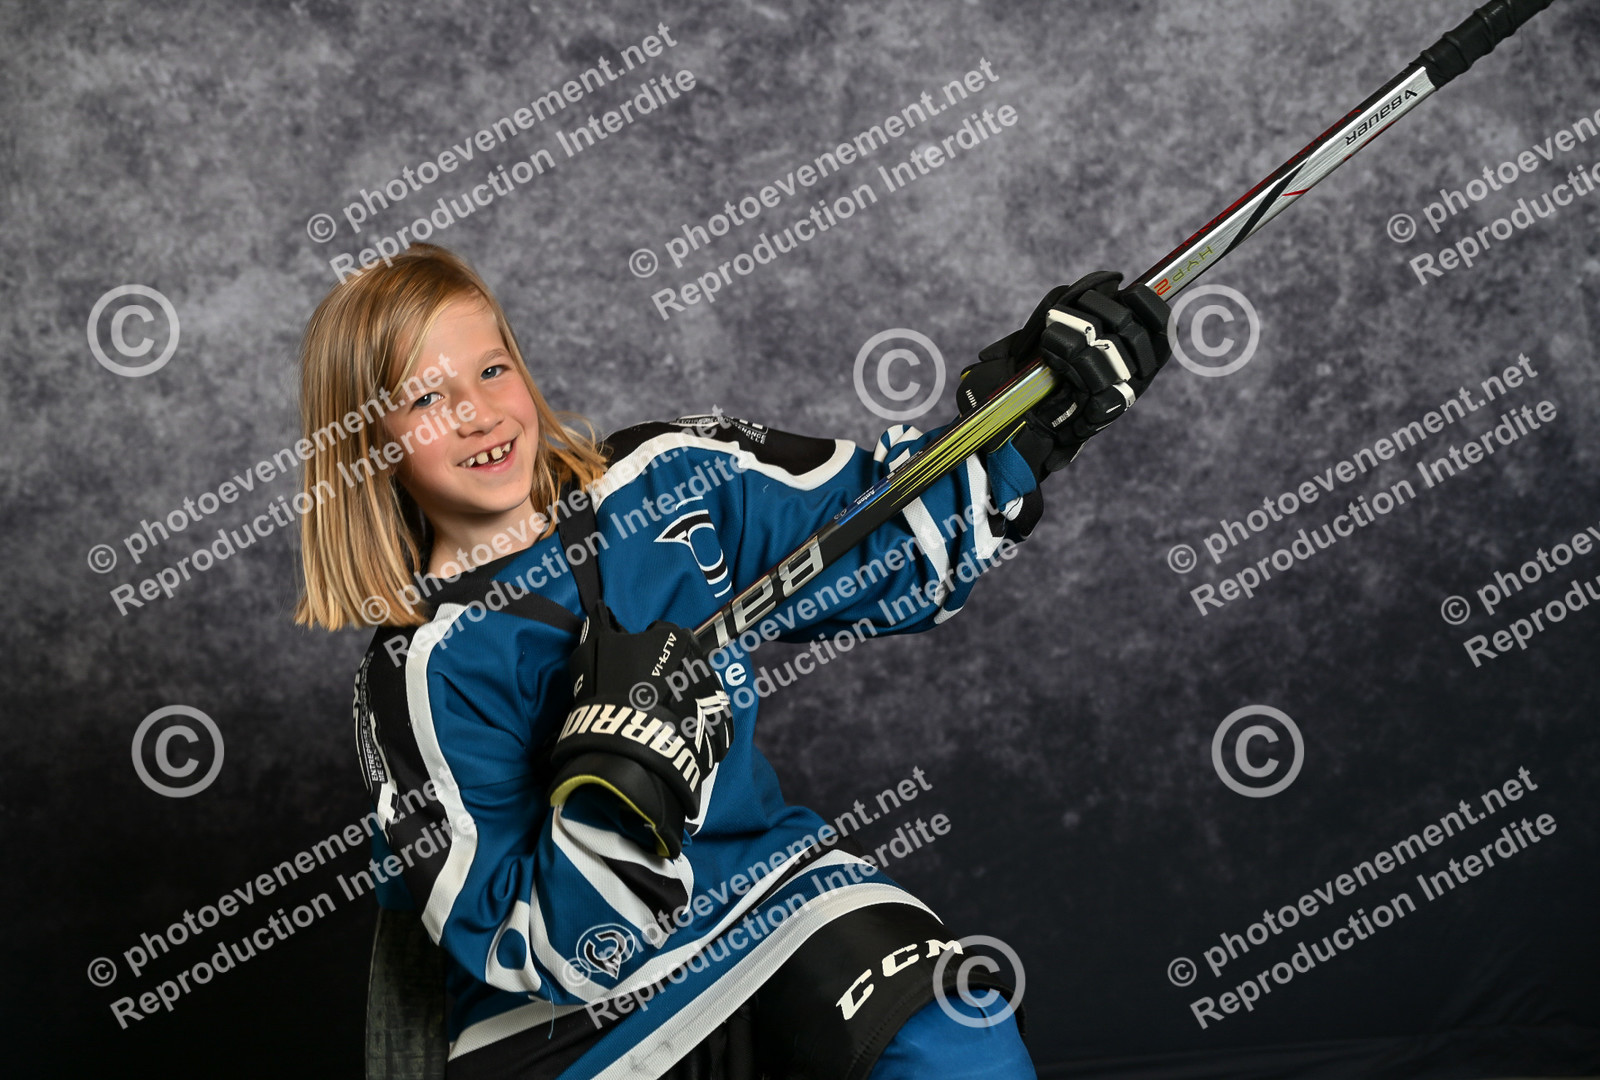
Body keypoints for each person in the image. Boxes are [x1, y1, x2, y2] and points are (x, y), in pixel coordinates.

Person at [293, 243, 1168, 1078]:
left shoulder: (668, 477)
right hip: (567, 1023)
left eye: (492, 370)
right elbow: (518, 941)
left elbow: (874, 540)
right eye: (427, 398)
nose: (479, 414)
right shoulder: (420, 673)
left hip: (766, 899)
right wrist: (617, 795)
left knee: (953, 1039)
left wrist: (1021, 420)